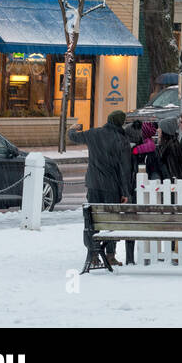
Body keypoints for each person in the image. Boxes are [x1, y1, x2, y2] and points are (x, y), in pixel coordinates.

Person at [68, 110, 135, 264]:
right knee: (111, 221)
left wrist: (73, 128)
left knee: (91, 220)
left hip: (93, 185)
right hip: (112, 187)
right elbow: (124, 169)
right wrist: (125, 192)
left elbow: (73, 137)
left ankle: (93, 254)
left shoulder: (94, 134)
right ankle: (110, 255)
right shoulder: (121, 139)